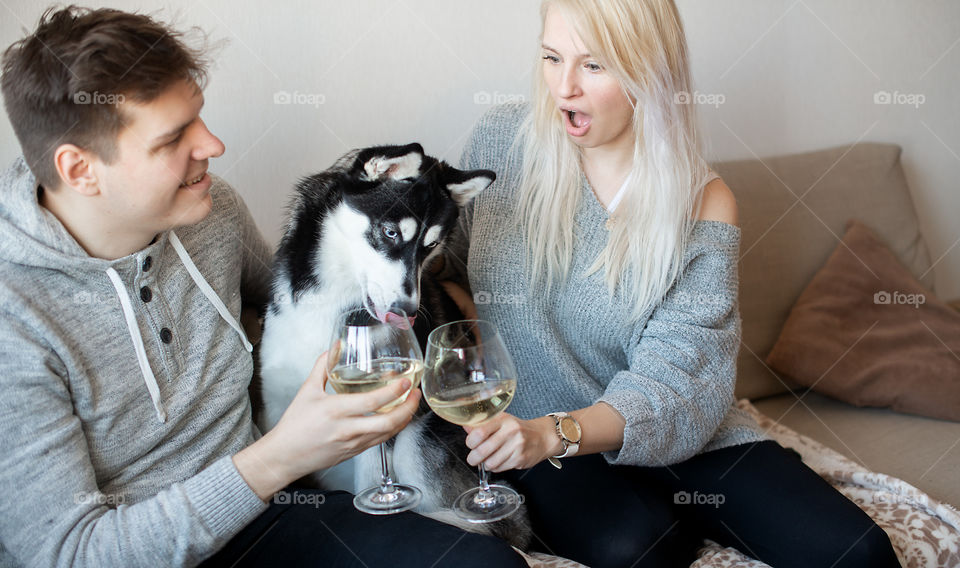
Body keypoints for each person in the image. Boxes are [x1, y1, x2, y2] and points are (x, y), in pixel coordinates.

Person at [0, 7, 527, 567]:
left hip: (270, 518)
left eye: (198, 117)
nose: (213, 145)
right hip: (155, 543)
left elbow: (294, 297)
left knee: (484, 563)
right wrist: (280, 457)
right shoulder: (15, 319)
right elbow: (68, 555)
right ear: (80, 171)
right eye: (174, 137)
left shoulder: (209, 209)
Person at [437, 1, 903, 567]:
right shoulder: (502, 143)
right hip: (535, 427)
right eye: (551, 58)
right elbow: (452, 269)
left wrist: (554, 434)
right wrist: (470, 350)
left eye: (593, 66)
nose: (564, 88)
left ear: (646, 73)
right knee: (637, 548)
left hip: (664, 425)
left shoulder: (704, 202)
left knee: (859, 552)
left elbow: (677, 379)